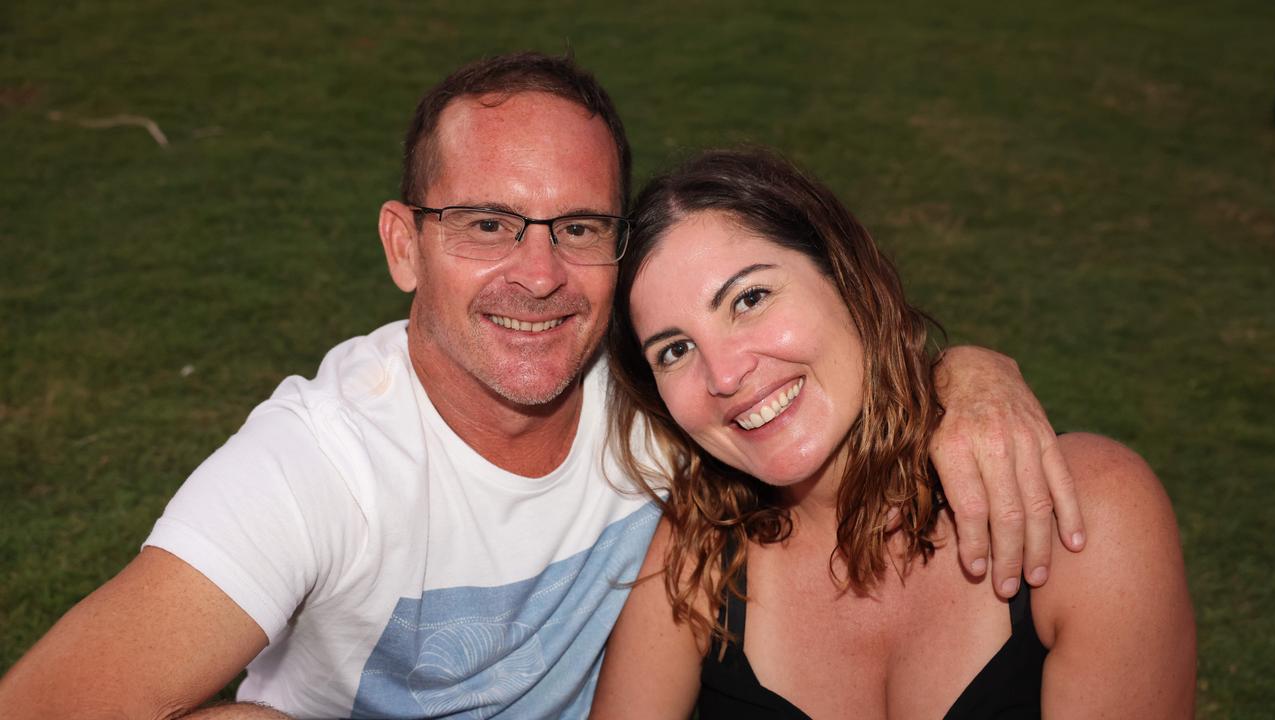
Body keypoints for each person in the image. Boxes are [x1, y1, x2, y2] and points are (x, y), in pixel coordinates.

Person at [1, 55, 1083, 719]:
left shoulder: (664, 396)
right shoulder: (316, 465)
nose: (537, 273)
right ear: (402, 245)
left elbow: (793, 378)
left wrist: (968, 377)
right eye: (483, 225)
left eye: (576, 228)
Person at [592, 148, 1196, 719]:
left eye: (750, 298)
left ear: (847, 278)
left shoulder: (1085, 510)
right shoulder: (696, 552)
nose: (724, 376)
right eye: (674, 349)